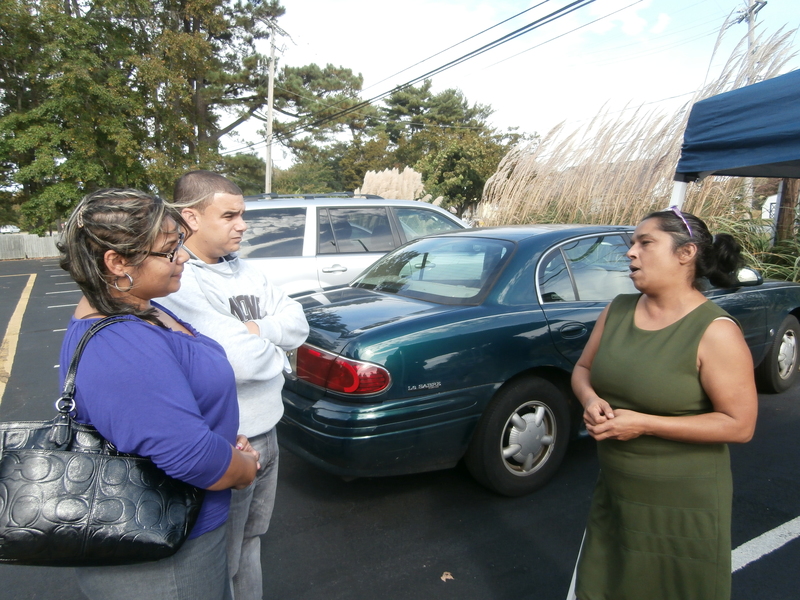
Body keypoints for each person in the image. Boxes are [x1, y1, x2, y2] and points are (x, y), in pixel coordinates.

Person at [58, 188, 260, 600]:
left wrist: (222, 441)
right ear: (116, 263)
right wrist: (242, 468)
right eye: (169, 250)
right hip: (164, 554)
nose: (183, 257)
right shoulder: (120, 343)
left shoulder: (143, 307)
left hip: (184, 530)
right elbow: (190, 456)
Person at [571, 207, 758, 600]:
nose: (630, 253)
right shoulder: (617, 310)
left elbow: (739, 425)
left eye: (645, 243)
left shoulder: (715, 331)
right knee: (604, 586)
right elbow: (583, 369)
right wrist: (590, 400)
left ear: (685, 253)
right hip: (618, 496)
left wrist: (645, 424)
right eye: (632, 244)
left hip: (682, 508)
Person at [157, 171, 309, 600]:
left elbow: (299, 323)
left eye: (242, 215)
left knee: (251, 541)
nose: (242, 224)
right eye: (229, 215)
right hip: (231, 441)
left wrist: (253, 330)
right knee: (219, 554)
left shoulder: (245, 271)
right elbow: (235, 362)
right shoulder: (178, 281)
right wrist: (277, 351)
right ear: (191, 217)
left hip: (269, 431)